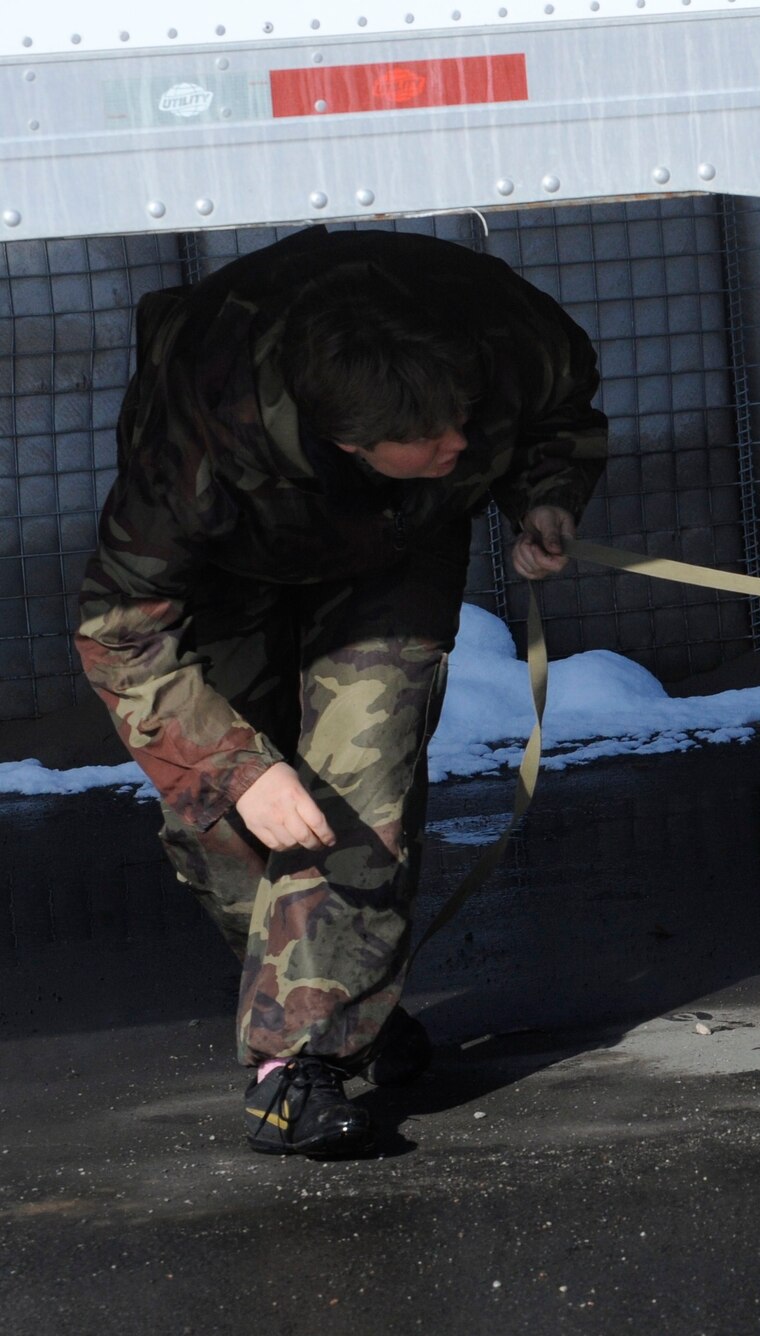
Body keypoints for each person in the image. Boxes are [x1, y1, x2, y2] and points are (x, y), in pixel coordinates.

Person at [74, 226, 606, 1158]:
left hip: (394, 554)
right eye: (428, 439)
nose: (457, 444)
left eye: (465, 423)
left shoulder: (504, 342)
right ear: (351, 441)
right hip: (225, 568)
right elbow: (118, 629)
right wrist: (236, 770)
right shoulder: (196, 446)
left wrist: (543, 494)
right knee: (232, 816)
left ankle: (302, 1064)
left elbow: (557, 413)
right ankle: (347, 993)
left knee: (359, 787)